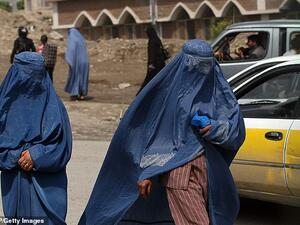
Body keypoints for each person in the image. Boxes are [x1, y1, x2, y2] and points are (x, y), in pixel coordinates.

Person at [78, 39, 245, 225]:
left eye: (206, 65)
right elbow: (153, 134)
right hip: (180, 173)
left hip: (211, 173)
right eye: (195, 65)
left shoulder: (219, 93)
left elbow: (235, 132)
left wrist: (216, 129)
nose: (200, 71)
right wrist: (148, 172)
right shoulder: (168, 95)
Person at [0, 52, 72, 225]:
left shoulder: (54, 107)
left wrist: (36, 154)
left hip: (47, 187)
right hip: (14, 185)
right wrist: (16, 156)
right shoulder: (3, 107)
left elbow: (63, 147)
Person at [137, 25, 167, 95]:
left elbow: (152, 53)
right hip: (161, 64)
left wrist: (151, 64)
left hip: (154, 65)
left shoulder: (152, 41)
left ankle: (141, 95)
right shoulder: (157, 40)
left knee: (149, 81)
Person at [65, 28, 89, 101]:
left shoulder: (72, 38)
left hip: (77, 61)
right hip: (85, 62)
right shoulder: (81, 38)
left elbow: (71, 49)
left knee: (75, 77)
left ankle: (74, 94)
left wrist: (69, 60)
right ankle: (82, 94)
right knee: (83, 78)